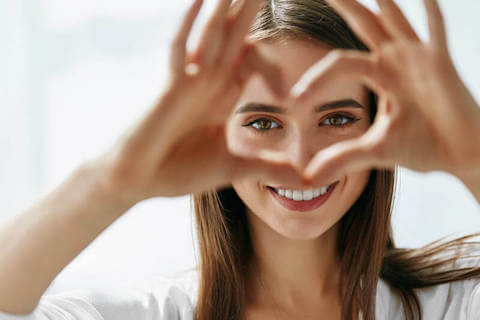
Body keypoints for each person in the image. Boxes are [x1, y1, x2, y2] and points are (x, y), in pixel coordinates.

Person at [0, 0, 479, 319]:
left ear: (377, 124)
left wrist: (473, 157)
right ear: (217, 133)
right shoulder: (142, 312)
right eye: (264, 123)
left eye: (336, 119)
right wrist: (112, 183)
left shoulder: (451, 304)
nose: (301, 158)